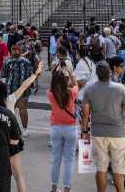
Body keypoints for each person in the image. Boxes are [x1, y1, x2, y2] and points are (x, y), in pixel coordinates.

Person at [81, 62, 125, 192]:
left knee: (101, 168)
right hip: (118, 133)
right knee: (118, 169)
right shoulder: (120, 88)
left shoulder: (89, 89)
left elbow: (85, 114)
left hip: (98, 133)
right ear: (110, 72)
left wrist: (84, 132)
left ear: (97, 74)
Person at [47, 64, 78, 192]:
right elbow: (76, 84)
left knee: (55, 160)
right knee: (69, 161)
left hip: (55, 128)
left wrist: (54, 73)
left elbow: (51, 84)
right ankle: (66, 190)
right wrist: (70, 73)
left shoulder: (50, 94)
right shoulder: (71, 93)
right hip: (70, 128)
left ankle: (53, 189)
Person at [1, 43, 33, 133]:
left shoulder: (8, 62)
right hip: (21, 90)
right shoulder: (26, 62)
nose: (15, 52)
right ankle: (23, 129)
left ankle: (14, 129)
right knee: (20, 109)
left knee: (12, 110)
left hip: (13, 90)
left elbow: (3, 76)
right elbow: (31, 76)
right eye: (14, 50)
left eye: (15, 50)